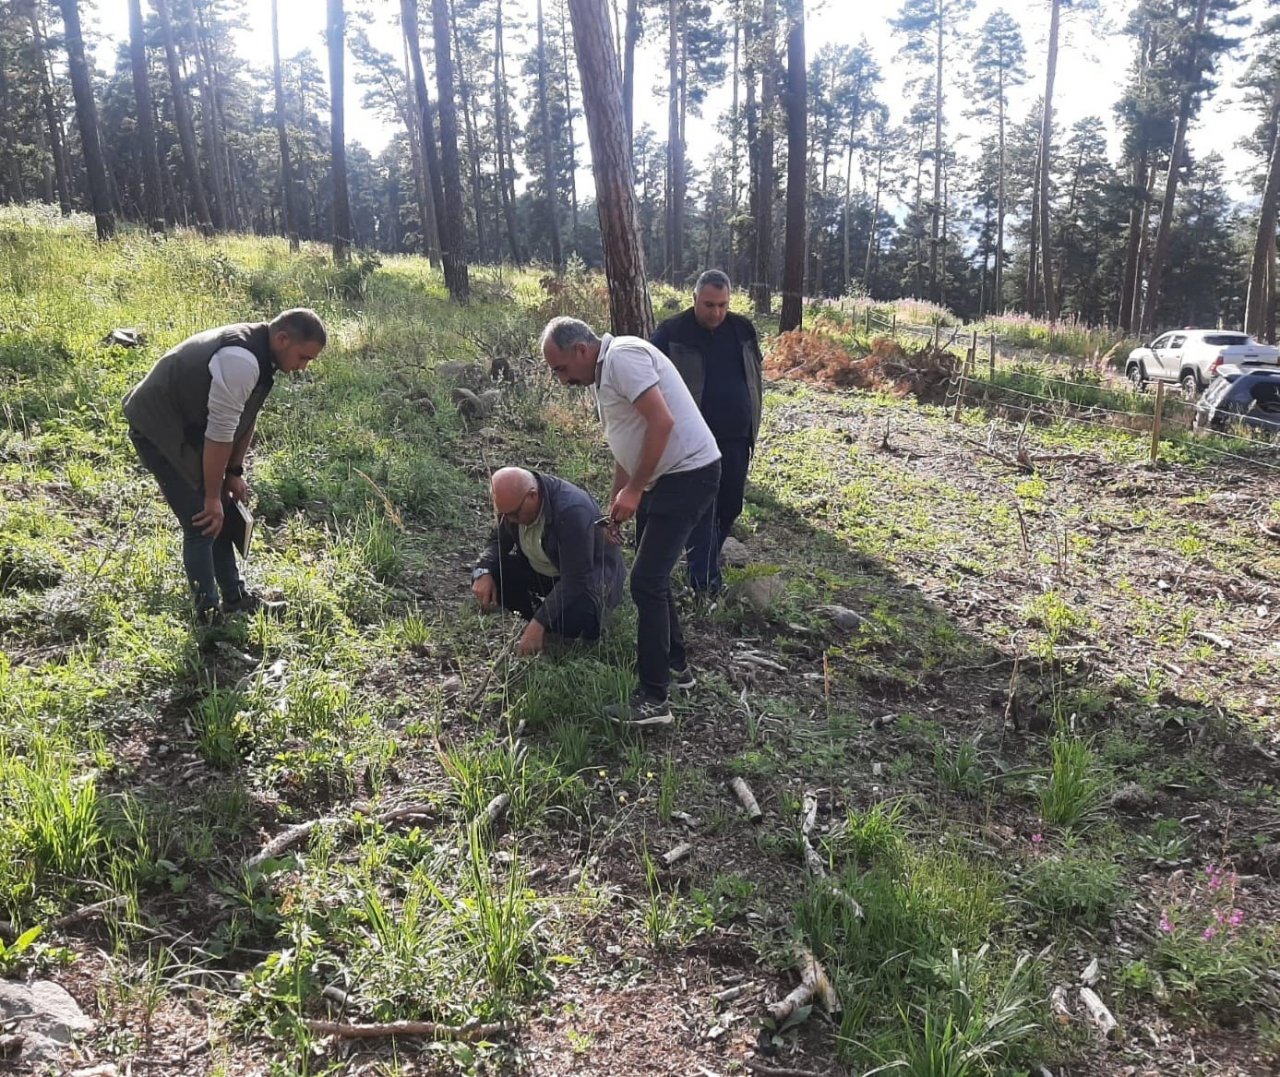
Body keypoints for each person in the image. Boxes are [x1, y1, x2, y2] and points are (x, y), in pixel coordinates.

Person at [540, 316, 721, 726]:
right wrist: (618, 503)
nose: (561, 380)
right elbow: (629, 442)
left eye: (561, 369)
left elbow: (662, 421)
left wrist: (636, 490)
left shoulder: (622, 357)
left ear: (581, 350)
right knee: (652, 579)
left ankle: (655, 699)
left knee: (645, 581)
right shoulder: (604, 374)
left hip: (688, 475)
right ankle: (676, 667)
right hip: (665, 477)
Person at [122, 309, 327, 622]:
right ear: (283, 339)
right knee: (202, 520)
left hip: (190, 428)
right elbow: (219, 433)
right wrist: (211, 496)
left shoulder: (263, 356)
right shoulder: (242, 360)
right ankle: (207, 617)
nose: (303, 367)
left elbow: (245, 418)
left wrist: (233, 473)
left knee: (219, 514)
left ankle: (235, 598)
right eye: (303, 357)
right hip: (157, 426)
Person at [651, 269, 763, 593]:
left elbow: (755, 376)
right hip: (694, 441)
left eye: (723, 305)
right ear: (695, 299)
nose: (716, 312)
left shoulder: (743, 329)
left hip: (738, 436)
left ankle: (707, 559)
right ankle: (704, 581)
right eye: (709, 304)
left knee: (731, 505)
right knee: (703, 507)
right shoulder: (671, 333)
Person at [471, 467, 626, 656]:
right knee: (494, 573)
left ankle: (556, 633)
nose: (510, 520)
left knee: (578, 616)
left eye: (514, 514)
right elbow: (497, 541)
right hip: (543, 571)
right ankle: (537, 617)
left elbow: (576, 578)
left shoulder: (572, 512)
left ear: (532, 496)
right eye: (504, 515)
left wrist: (540, 622)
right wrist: (482, 570)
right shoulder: (513, 506)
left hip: (587, 582)